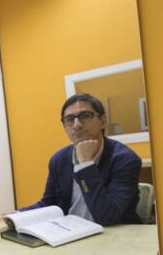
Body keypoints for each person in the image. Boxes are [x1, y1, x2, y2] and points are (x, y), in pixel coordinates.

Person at [20, 93, 142, 226]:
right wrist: (17, 216)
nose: (76, 125)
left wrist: (85, 165)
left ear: (102, 121)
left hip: (114, 236)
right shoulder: (58, 159)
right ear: (64, 126)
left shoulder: (125, 159)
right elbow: (49, 203)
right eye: (70, 119)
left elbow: (108, 217)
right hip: (70, 233)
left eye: (85, 116)